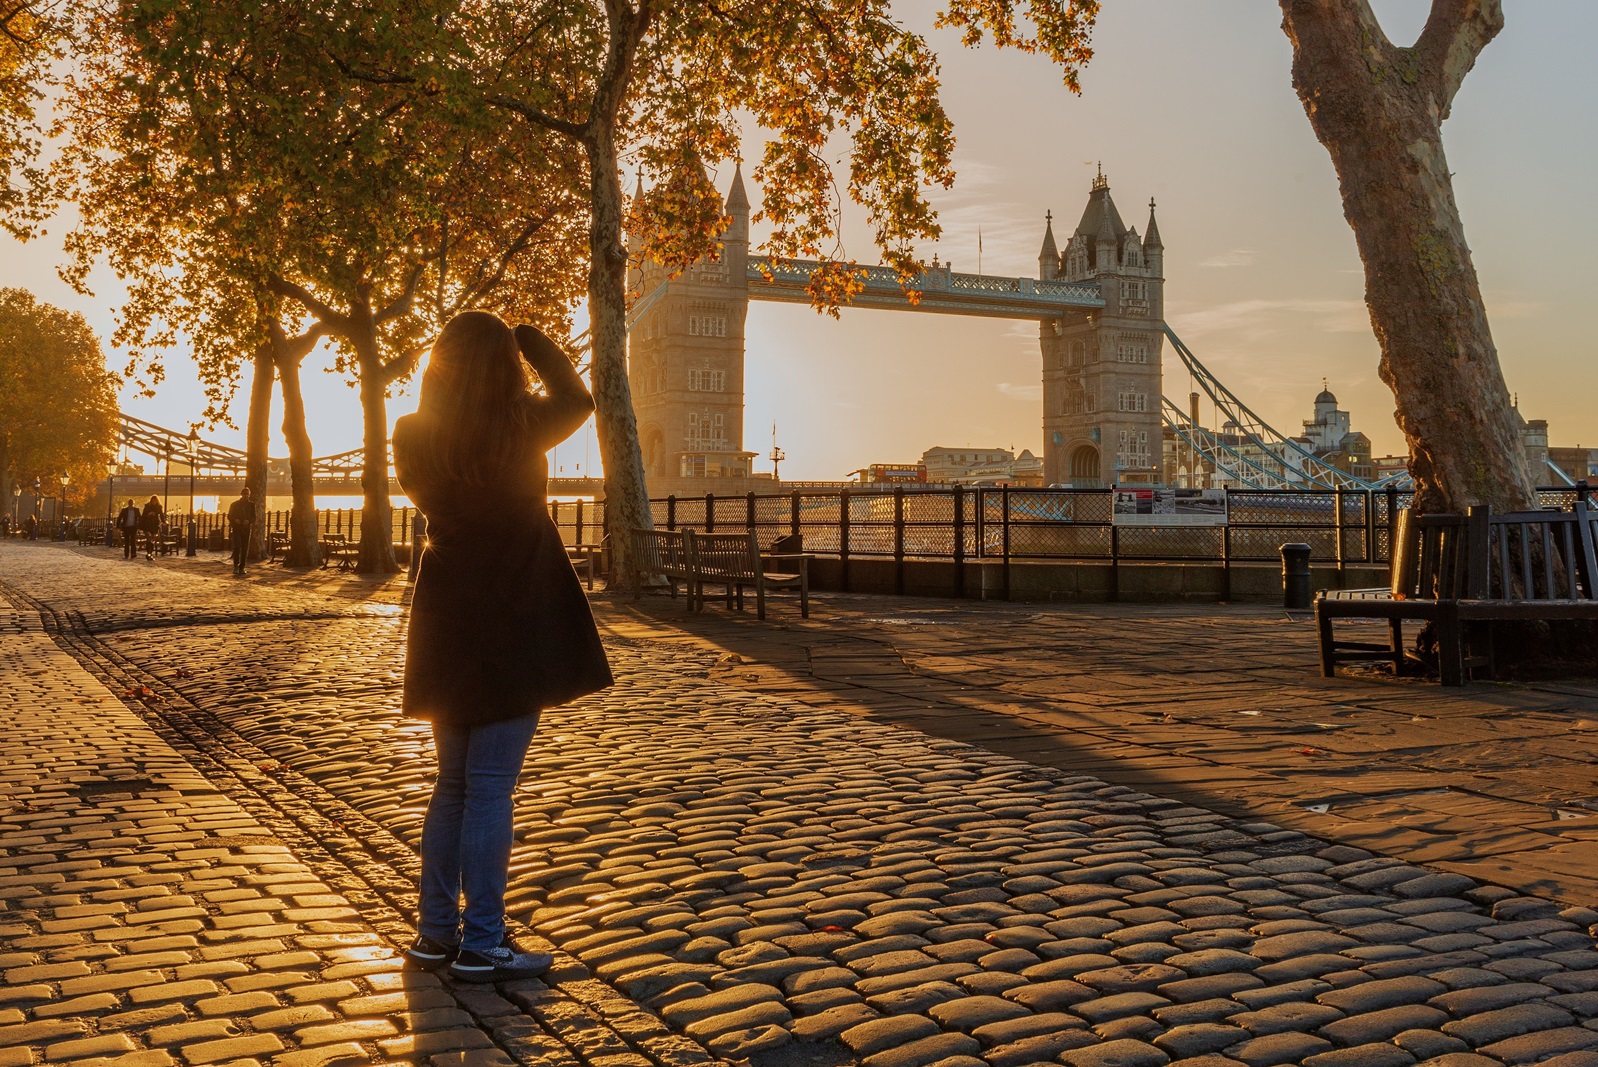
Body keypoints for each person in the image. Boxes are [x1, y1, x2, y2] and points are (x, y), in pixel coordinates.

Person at [392, 312, 612, 983]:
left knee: (452, 783)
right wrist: (526, 336)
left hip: (445, 620)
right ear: (502, 369)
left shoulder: (410, 434)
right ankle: (484, 940)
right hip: (515, 619)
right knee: (491, 786)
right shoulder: (522, 426)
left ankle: (435, 932)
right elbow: (578, 397)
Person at [227, 486, 256, 575]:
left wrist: (249, 521)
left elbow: (254, 517)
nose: (246, 496)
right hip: (237, 528)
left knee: (245, 548)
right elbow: (229, 516)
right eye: (244, 494)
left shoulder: (251, 505)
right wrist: (235, 520)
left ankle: (242, 567)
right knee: (237, 546)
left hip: (246, 529)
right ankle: (236, 565)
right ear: (241, 494)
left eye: (247, 494)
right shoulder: (234, 504)